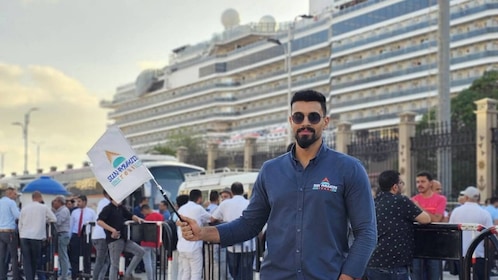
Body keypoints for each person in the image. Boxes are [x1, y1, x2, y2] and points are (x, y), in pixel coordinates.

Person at [178, 89, 377, 280]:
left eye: (313, 117)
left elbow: (367, 231)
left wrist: (348, 276)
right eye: (298, 117)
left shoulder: (349, 169)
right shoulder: (270, 170)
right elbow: (249, 224)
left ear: (325, 122)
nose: (305, 123)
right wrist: (202, 233)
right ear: (291, 121)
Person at [366, 170, 431, 280]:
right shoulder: (401, 201)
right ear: (395, 187)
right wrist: (416, 206)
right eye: (401, 183)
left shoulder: (374, 202)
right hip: (394, 264)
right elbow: (426, 219)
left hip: (373, 262)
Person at [212, 181, 256, 280]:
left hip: (232, 245)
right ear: (243, 191)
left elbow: (212, 218)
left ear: (231, 192)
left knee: (234, 273)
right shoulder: (250, 203)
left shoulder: (225, 204)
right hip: (249, 245)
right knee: (246, 274)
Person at [449, 186, 493, 280]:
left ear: (466, 197)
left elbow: (451, 232)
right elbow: (490, 235)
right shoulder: (484, 213)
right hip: (479, 254)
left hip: (461, 253)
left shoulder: (456, 211)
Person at [97, 195, 145, 280]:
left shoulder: (121, 208)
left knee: (140, 251)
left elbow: (130, 215)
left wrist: (138, 219)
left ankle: (127, 273)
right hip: (114, 240)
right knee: (115, 264)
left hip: (124, 238)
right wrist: (112, 230)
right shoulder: (108, 208)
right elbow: (99, 221)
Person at [411, 171, 447, 280]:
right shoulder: (413, 200)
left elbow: (436, 219)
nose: (419, 184)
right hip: (417, 244)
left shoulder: (441, 199)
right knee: (416, 275)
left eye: (423, 181)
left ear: (430, 183)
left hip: (435, 244)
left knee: (434, 275)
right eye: (417, 182)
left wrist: (419, 208)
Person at [18, 191, 57, 280]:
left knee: (27, 260)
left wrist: (21, 235)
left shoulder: (25, 208)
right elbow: (54, 219)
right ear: (40, 198)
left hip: (24, 236)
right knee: (35, 259)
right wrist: (45, 220)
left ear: (32, 198)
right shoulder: (43, 207)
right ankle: (33, 276)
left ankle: (29, 278)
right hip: (37, 236)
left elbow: (20, 223)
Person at [177, 189, 213, 280]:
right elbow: (211, 219)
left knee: (186, 272)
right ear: (200, 198)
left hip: (182, 246)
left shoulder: (182, 208)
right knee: (196, 273)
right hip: (194, 247)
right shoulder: (198, 208)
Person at [69, 195, 96, 280]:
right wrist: (70, 238)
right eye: (77, 201)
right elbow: (71, 225)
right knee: (74, 258)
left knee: (86, 258)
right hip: (75, 235)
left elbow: (94, 226)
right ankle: (75, 276)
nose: (78, 203)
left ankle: (86, 276)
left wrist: (93, 237)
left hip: (86, 236)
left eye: (79, 201)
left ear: (85, 202)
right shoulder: (74, 212)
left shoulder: (91, 212)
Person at [0, 187, 20, 280]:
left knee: (2, 256)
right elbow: (18, 215)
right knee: (14, 257)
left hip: (1, 232)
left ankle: (2, 276)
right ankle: (15, 277)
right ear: (10, 194)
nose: (16, 196)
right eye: (15, 194)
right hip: (10, 232)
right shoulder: (11, 203)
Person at [140, 204, 164, 280]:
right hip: (156, 242)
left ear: (145, 210)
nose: (144, 214)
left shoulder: (147, 218)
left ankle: (150, 278)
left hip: (146, 242)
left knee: (147, 262)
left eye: (143, 213)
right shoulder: (160, 216)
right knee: (153, 261)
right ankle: (154, 278)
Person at [92, 190, 111, 280]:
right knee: (100, 261)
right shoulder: (108, 204)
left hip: (96, 235)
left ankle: (100, 278)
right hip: (102, 236)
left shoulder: (101, 202)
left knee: (106, 261)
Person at [52, 195, 71, 280]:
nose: (54, 202)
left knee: (63, 256)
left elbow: (58, 222)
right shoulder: (58, 211)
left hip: (62, 234)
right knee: (59, 256)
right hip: (59, 235)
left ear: (60, 202)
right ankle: (61, 273)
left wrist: (52, 217)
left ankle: (64, 275)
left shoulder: (64, 210)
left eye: (55, 201)